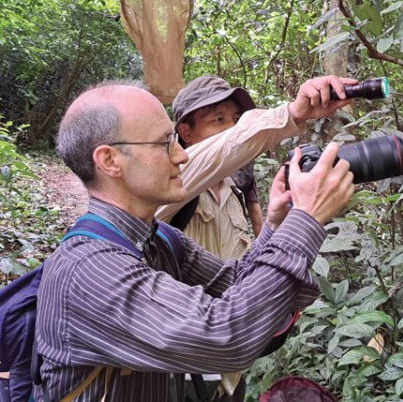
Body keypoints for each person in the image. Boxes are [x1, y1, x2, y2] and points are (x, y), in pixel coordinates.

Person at [34, 81, 355, 401]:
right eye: (164, 144)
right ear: (110, 160)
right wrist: (306, 221)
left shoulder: (159, 239)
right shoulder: (89, 271)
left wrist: (277, 224)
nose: (181, 156)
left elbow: (237, 282)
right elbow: (225, 337)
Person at [155, 75, 356, 256]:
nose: (232, 128)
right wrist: (294, 113)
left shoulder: (234, 193)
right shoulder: (170, 185)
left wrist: (274, 225)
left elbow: (242, 272)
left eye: (236, 119)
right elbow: (228, 145)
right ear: (185, 132)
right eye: (219, 119)